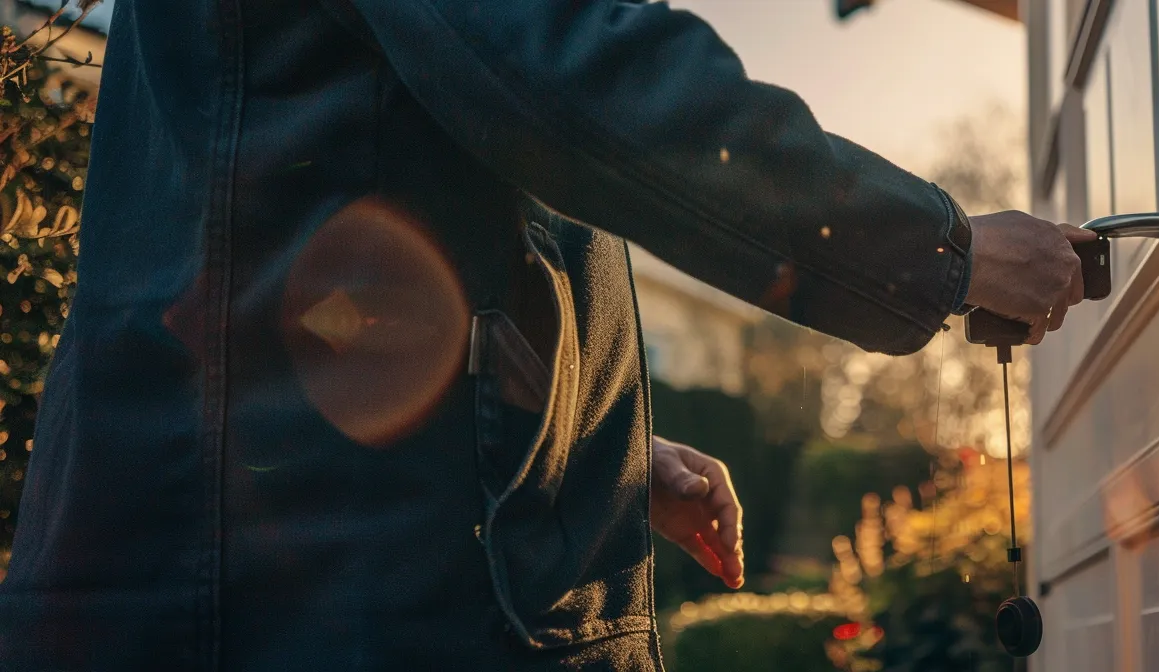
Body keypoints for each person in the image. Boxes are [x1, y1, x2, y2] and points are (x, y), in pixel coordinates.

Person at [0, 1, 1093, 669]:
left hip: (303, 566)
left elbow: (346, 228)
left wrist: (594, 451)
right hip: (303, 601)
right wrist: (938, 248)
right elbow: (562, 74)